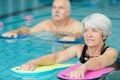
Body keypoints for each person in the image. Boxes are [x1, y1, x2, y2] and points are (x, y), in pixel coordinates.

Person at [19, 13, 118, 78]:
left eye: (94, 31)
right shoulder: (79, 49)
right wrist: (34, 62)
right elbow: (56, 57)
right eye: (86, 30)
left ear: (104, 35)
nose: (88, 35)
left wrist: (83, 67)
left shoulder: (111, 52)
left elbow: (99, 62)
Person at [2, 0, 82, 41]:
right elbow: (29, 30)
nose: (56, 11)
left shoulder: (75, 25)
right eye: (54, 7)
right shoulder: (47, 24)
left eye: (61, 8)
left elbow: (80, 33)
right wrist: (16, 31)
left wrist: (73, 36)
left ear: (68, 12)